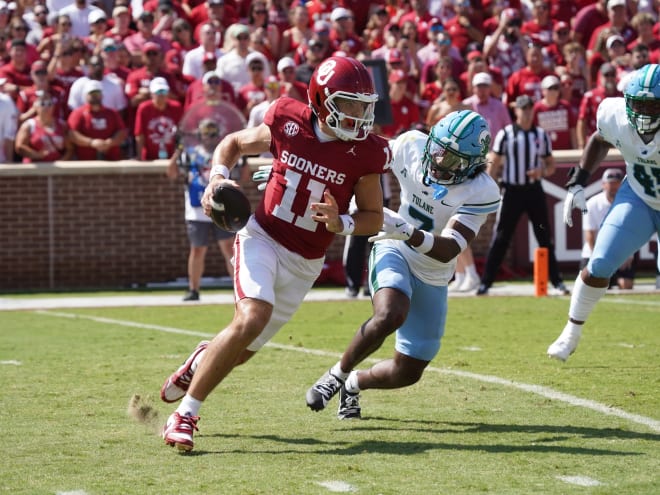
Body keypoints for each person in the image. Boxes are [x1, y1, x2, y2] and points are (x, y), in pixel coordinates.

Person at [160, 56, 391, 451]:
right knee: (254, 314)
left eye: (363, 105)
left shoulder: (366, 152)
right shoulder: (287, 117)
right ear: (321, 100)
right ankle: (185, 414)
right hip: (262, 236)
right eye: (349, 104)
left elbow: (373, 216)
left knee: (243, 351)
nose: (358, 115)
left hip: (305, 263)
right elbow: (232, 143)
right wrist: (218, 177)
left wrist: (344, 224)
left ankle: (201, 360)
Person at [306, 110, 500, 419]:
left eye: (451, 160)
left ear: (472, 165)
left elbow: (449, 249)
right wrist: (304, 176)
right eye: (437, 150)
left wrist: (409, 232)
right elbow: (361, 151)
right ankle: (337, 375)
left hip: (432, 269)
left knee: (408, 370)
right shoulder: (412, 145)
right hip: (393, 246)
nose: (438, 162)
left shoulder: (481, 191)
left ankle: (353, 384)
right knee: (390, 313)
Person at [547, 64, 660, 361]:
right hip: (638, 196)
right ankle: (570, 332)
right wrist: (577, 182)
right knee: (599, 262)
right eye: (639, 104)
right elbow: (599, 140)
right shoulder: (614, 115)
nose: (645, 113)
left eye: (653, 105)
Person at [477, 95, 569, 296]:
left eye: (529, 108)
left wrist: (541, 172)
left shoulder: (540, 135)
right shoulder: (506, 134)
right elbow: (494, 162)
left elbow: (550, 164)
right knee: (501, 236)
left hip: (534, 191)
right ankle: (486, 282)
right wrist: (489, 190)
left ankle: (557, 281)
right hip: (512, 191)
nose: (526, 112)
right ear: (516, 111)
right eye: (522, 108)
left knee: (544, 235)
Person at [167, 118, 237, 301]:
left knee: (229, 248)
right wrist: (178, 151)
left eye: (213, 132)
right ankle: (194, 289)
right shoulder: (190, 154)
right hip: (197, 208)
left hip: (221, 207)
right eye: (206, 132)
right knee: (197, 249)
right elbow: (172, 173)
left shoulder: (223, 154)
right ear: (200, 134)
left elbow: (242, 176)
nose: (209, 136)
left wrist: (241, 160)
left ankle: (239, 289)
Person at [580, 168, 636, 290]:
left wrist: (627, 255)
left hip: (621, 254)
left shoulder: (631, 204)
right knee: (592, 288)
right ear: (603, 185)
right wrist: (599, 258)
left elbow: (633, 232)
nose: (613, 187)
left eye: (617, 183)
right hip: (594, 254)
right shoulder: (592, 204)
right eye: (610, 183)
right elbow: (590, 235)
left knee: (626, 285)